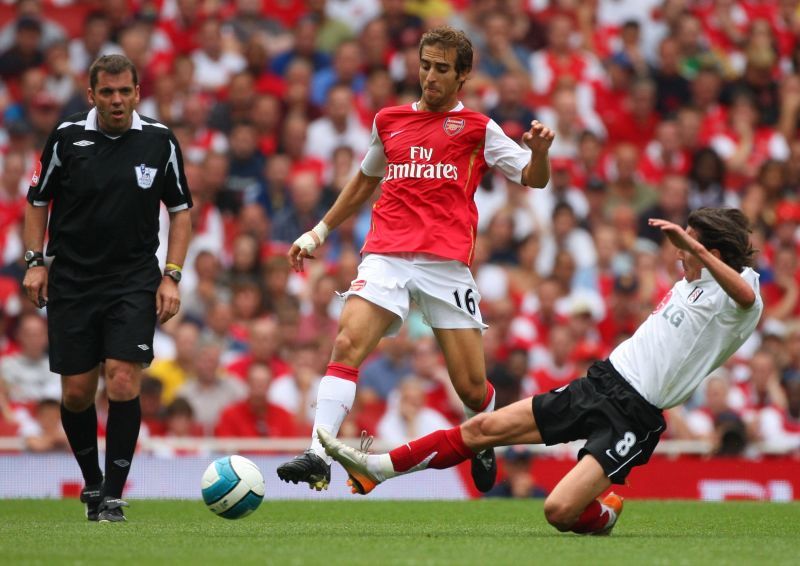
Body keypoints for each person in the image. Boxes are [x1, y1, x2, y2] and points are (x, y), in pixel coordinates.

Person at [318, 208, 763, 535]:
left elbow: (743, 294)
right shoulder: (692, 281)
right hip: (603, 380)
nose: (678, 254)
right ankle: (376, 469)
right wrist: (696, 253)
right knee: (484, 428)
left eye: (687, 246)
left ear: (713, 251)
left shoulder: (744, 296)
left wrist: (698, 250)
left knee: (559, 511)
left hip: (635, 416)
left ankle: (604, 512)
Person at [277, 25, 555, 493]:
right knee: (346, 345)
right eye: (425, 65)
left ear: (463, 75)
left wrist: (542, 153)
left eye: (442, 69)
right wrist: (318, 231)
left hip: (445, 266)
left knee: (470, 388)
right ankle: (318, 453)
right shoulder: (388, 121)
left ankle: (482, 437)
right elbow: (365, 181)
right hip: (386, 255)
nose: (430, 76)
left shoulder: (477, 129)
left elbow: (533, 178)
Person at [22, 54, 192, 522]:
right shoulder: (66, 137)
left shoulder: (160, 141)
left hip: (132, 280)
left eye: (125, 91)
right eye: (108, 92)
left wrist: (171, 274)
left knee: (121, 377)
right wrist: (36, 262)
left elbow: (181, 211)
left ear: (137, 93)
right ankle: (92, 483)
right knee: (77, 393)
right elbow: (37, 201)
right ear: (91, 93)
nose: (117, 100)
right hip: (72, 279)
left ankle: (113, 496)